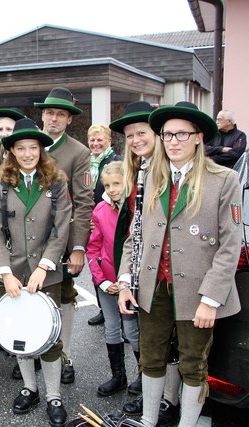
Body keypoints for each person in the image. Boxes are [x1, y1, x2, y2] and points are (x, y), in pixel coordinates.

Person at [118, 101, 242, 427]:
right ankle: (148, 419)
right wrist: (124, 282)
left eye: (182, 134)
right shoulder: (152, 178)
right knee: (151, 356)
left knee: (192, 364)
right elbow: (136, 236)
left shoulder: (223, 179)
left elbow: (230, 246)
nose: (173, 141)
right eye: (168, 134)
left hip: (199, 292)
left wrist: (211, 299)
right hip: (152, 286)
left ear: (199, 137)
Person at [0, 118, 71, 426]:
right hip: (12, 271)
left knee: (48, 336)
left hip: (45, 272)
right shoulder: (1, 183)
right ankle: (29, 387)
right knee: (18, 331)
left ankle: (53, 395)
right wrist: (5, 272)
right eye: (20, 148)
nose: (27, 154)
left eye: (33, 148)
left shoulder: (57, 182)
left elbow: (61, 229)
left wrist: (44, 266)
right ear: (11, 151)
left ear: (41, 149)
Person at [111, 101, 182, 424]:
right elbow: (133, 227)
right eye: (130, 135)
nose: (136, 139)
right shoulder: (138, 169)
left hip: (168, 270)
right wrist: (126, 276)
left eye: (142, 132)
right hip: (140, 266)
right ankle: (162, 400)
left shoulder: (166, 168)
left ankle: (169, 400)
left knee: (174, 342)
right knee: (156, 340)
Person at [35, 87, 94, 385]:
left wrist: (79, 247)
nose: (54, 118)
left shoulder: (78, 152)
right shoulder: (28, 144)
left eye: (60, 114)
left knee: (64, 297)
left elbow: (84, 202)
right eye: (49, 113)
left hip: (62, 237)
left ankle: (65, 353)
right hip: (27, 239)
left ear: (69, 119)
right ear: (42, 115)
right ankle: (36, 346)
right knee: (32, 295)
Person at [86, 160, 140, 397]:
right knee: (111, 327)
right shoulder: (100, 210)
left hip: (131, 282)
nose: (112, 189)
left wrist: (127, 281)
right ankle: (118, 376)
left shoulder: (136, 209)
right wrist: (102, 281)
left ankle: (144, 375)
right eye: (107, 185)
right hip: (108, 282)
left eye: (116, 183)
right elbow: (93, 248)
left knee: (133, 331)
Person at [87, 124, 121, 326]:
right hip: (91, 221)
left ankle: (122, 310)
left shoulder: (115, 161)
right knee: (96, 264)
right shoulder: (86, 162)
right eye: (92, 139)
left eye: (100, 139)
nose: (95, 143)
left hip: (108, 218)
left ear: (109, 141)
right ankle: (104, 308)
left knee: (113, 263)